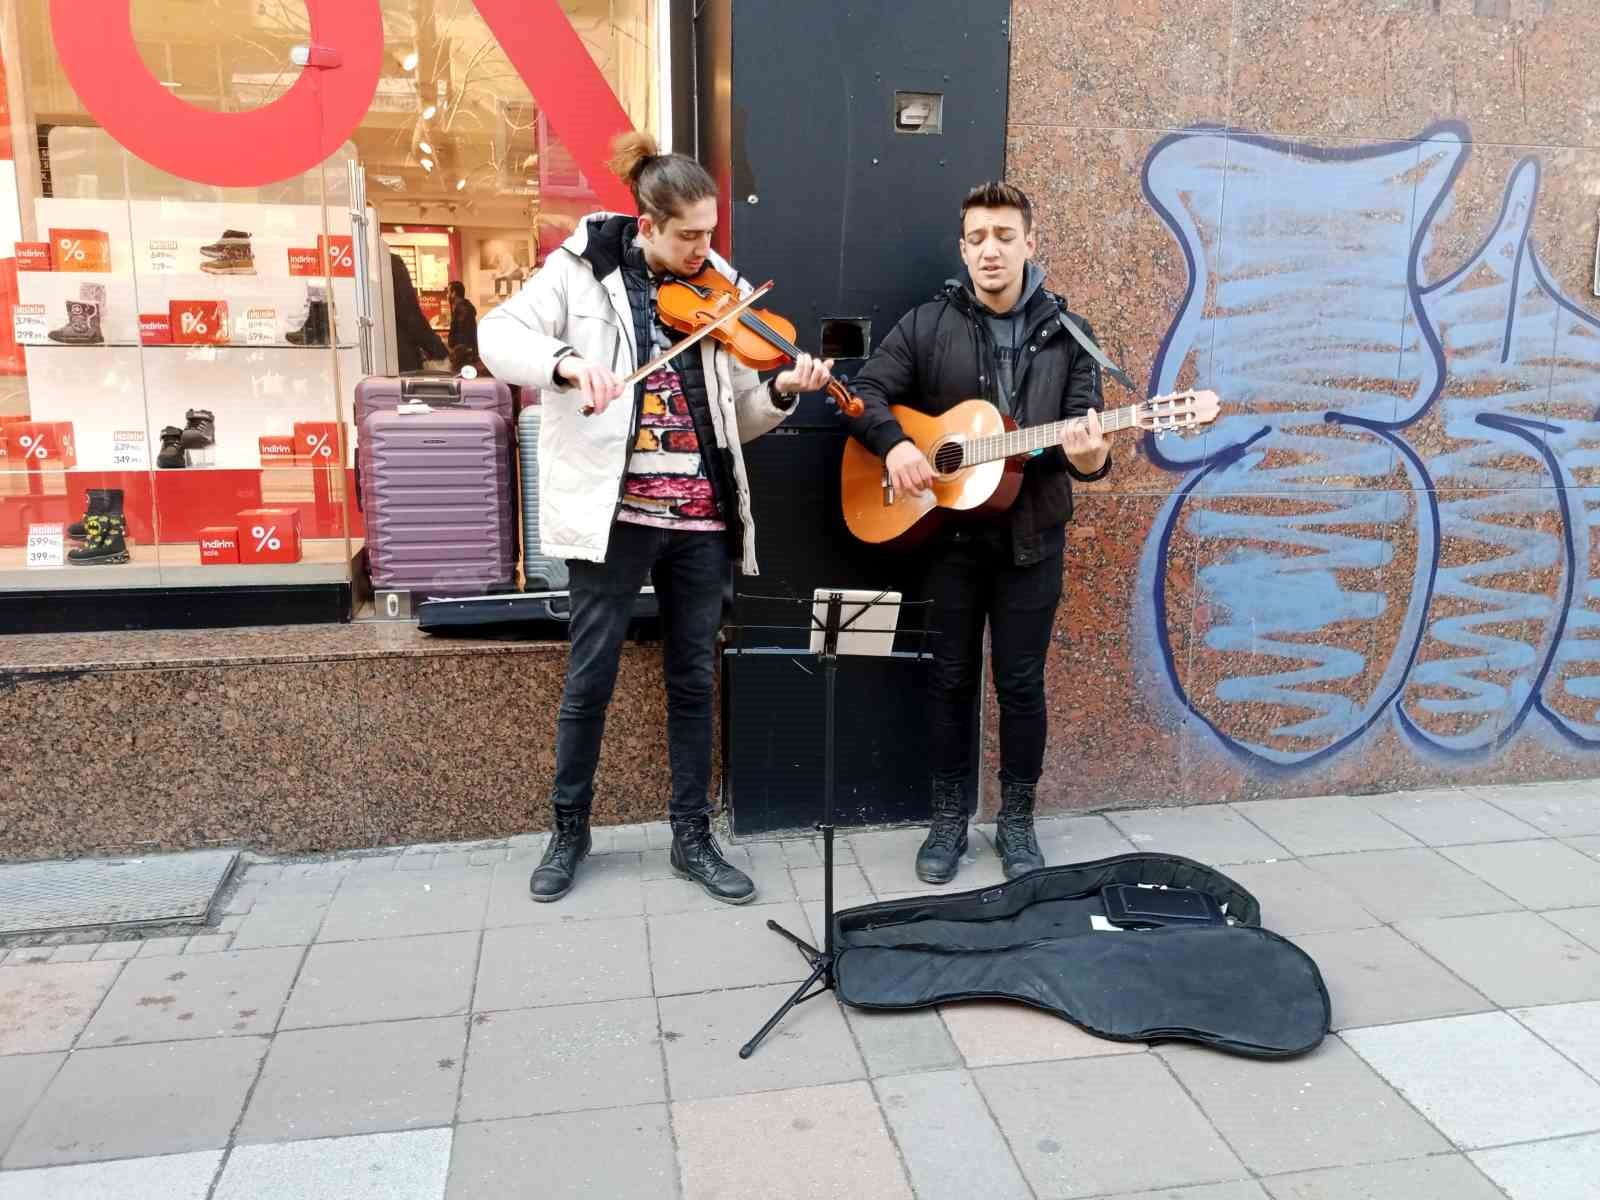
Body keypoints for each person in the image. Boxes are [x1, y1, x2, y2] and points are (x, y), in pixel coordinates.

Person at [479, 132, 830, 904]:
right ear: (647, 225)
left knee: (693, 681)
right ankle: (569, 830)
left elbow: (740, 411)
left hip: (701, 517)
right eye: (689, 237)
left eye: (711, 234)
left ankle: (692, 835)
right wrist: (565, 365)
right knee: (590, 679)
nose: (705, 252)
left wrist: (781, 393)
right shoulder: (577, 272)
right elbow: (496, 336)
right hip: (617, 517)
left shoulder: (721, 286)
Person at [844, 181, 1110, 885]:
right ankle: (947, 821)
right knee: (950, 681)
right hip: (949, 543)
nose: (990, 250)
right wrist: (897, 444)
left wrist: (1092, 452)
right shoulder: (928, 324)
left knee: (1021, 685)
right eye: (977, 238)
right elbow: (864, 392)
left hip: (1032, 540)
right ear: (963, 248)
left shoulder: (1071, 335)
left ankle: (1016, 822)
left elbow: (1090, 443)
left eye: (1003, 235)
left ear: (1031, 242)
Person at [389, 251, 447, 372]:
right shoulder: (392, 263)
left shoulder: (362, 265)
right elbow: (410, 315)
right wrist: (440, 351)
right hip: (403, 358)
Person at [447, 280, 478, 357]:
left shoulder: (462, 309)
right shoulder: (462, 307)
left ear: (454, 293)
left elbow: (462, 335)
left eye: (448, 292)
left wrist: (455, 351)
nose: (447, 295)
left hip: (463, 356)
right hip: (465, 353)